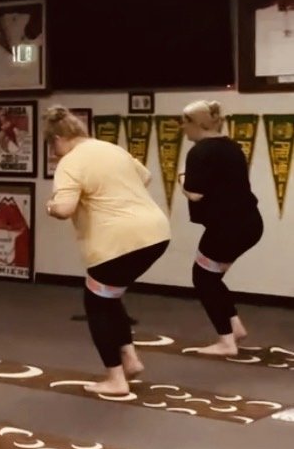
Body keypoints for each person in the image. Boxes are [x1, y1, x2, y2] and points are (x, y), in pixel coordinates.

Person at [44, 106, 171, 394]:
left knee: (96, 303)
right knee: (108, 295)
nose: (54, 154)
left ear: (59, 138)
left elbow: (64, 209)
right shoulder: (110, 149)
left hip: (117, 242)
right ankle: (129, 357)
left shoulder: (71, 162)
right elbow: (145, 177)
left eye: (52, 146)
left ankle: (115, 379)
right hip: (156, 234)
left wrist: (50, 206)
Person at [180, 99, 264, 354]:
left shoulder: (200, 151)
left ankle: (226, 341)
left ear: (198, 124)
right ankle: (235, 328)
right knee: (211, 278)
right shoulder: (231, 146)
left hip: (228, 227)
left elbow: (194, 194)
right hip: (249, 223)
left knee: (203, 279)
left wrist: (181, 178)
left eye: (184, 122)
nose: (182, 128)